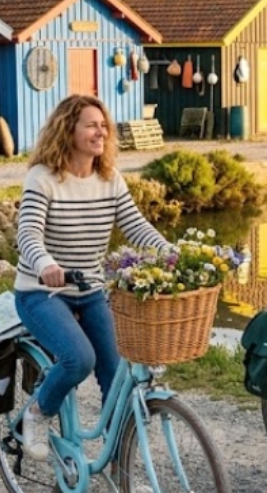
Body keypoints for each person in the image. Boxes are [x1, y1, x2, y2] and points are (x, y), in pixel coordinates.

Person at [15, 94, 172, 460]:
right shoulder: (43, 179)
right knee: (78, 359)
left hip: (90, 291)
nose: (101, 131)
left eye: (104, 125)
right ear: (67, 129)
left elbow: (135, 226)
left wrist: (173, 256)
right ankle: (37, 414)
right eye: (91, 124)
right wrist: (45, 265)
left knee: (116, 374)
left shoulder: (109, 179)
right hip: (42, 293)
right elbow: (28, 235)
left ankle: (121, 468)